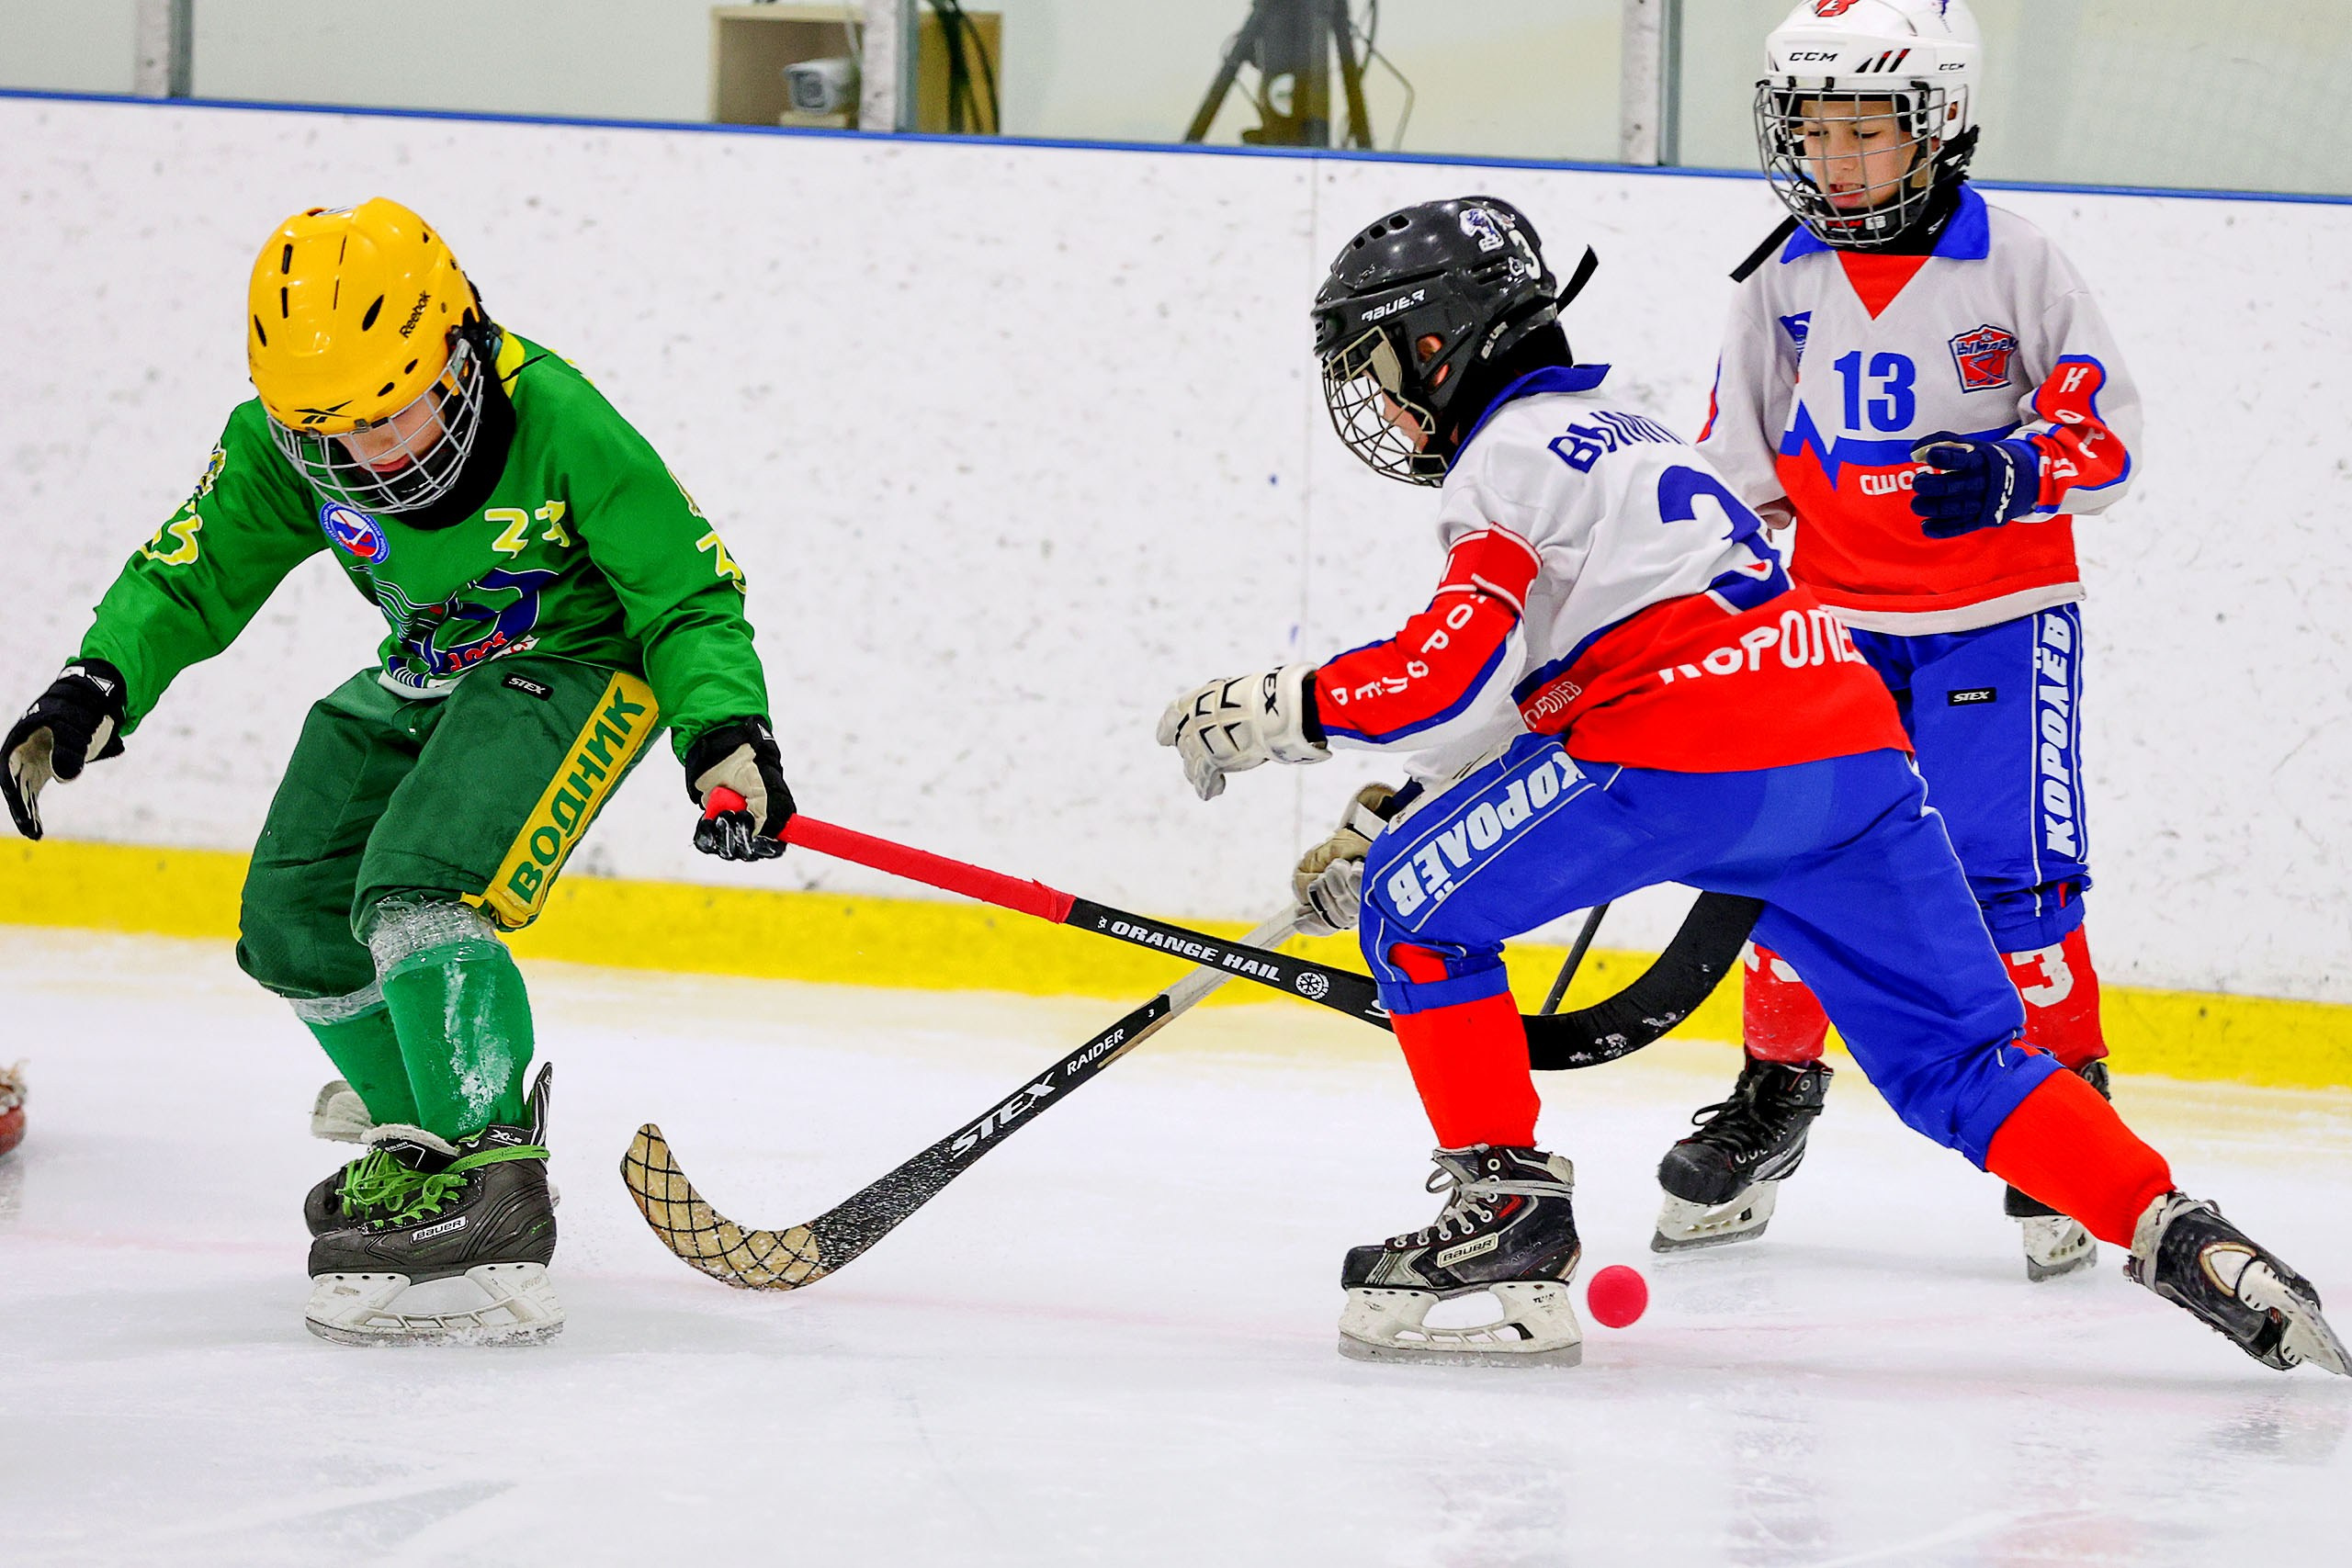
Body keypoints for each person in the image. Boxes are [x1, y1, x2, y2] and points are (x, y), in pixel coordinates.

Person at [1156, 194, 2344, 1376]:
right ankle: (2185, 1233)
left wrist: (1277, 710)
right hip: (1844, 747)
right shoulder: (1625, 433)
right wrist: (1402, 814)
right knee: (1962, 1062)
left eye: (1376, 363)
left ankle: (1505, 1228)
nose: (1377, 401)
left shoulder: (1502, 461)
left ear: (1436, 344)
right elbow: (1519, 695)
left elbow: (1440, 675)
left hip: (1682, 754)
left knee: (1412, 914)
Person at [0, 199, 795, 1345]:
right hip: (427, 673)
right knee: (290, 915)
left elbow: (687, 596)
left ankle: (491, 1190)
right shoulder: (286, 442)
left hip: (577, 669)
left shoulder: (561, 418)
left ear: (459, 343)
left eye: (395, 414)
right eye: (337, 435)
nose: (372, 455)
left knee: (419, 884)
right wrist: (96, 685)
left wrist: (724, 733)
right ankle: (418, 1129)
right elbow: (190, 573)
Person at [1656, 0, 2137, 1279]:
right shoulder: (1782, 280)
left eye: (1869, 132)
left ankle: (2066, 1093)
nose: (1838, 161)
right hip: (1834, 630)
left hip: (1998, 619)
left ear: (1939, 128)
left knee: (2008, 870)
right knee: (1799, 856)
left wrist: (2015, 467)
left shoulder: (2020, 262)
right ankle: (1776, 1089)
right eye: (1817, 133)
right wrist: (1722, 596)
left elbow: (2110, 437)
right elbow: (1738, 472)